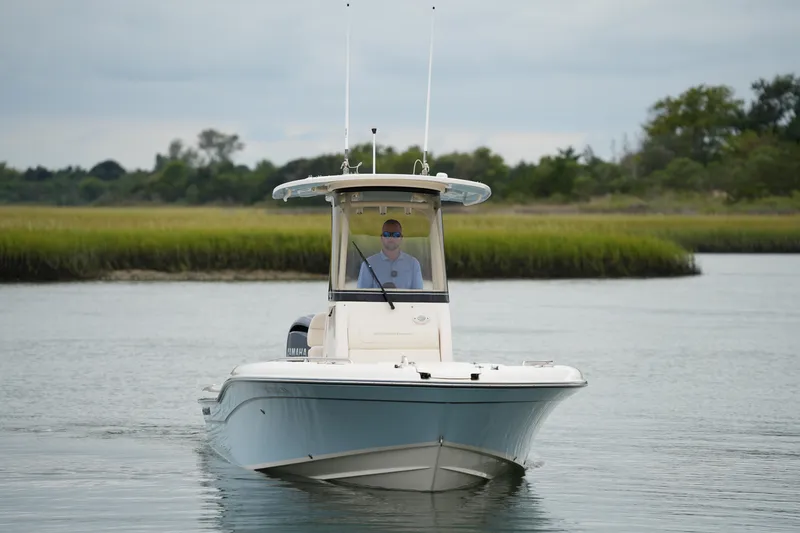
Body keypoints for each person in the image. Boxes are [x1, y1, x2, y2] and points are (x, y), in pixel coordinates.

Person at [357, 219, 424, 290]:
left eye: (396, 235)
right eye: (386, 234)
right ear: (381, 238)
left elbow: (419, 296)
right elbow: (361, 296)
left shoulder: (413, 264)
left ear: (401, 238)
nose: (391, 238)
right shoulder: (368, 264)